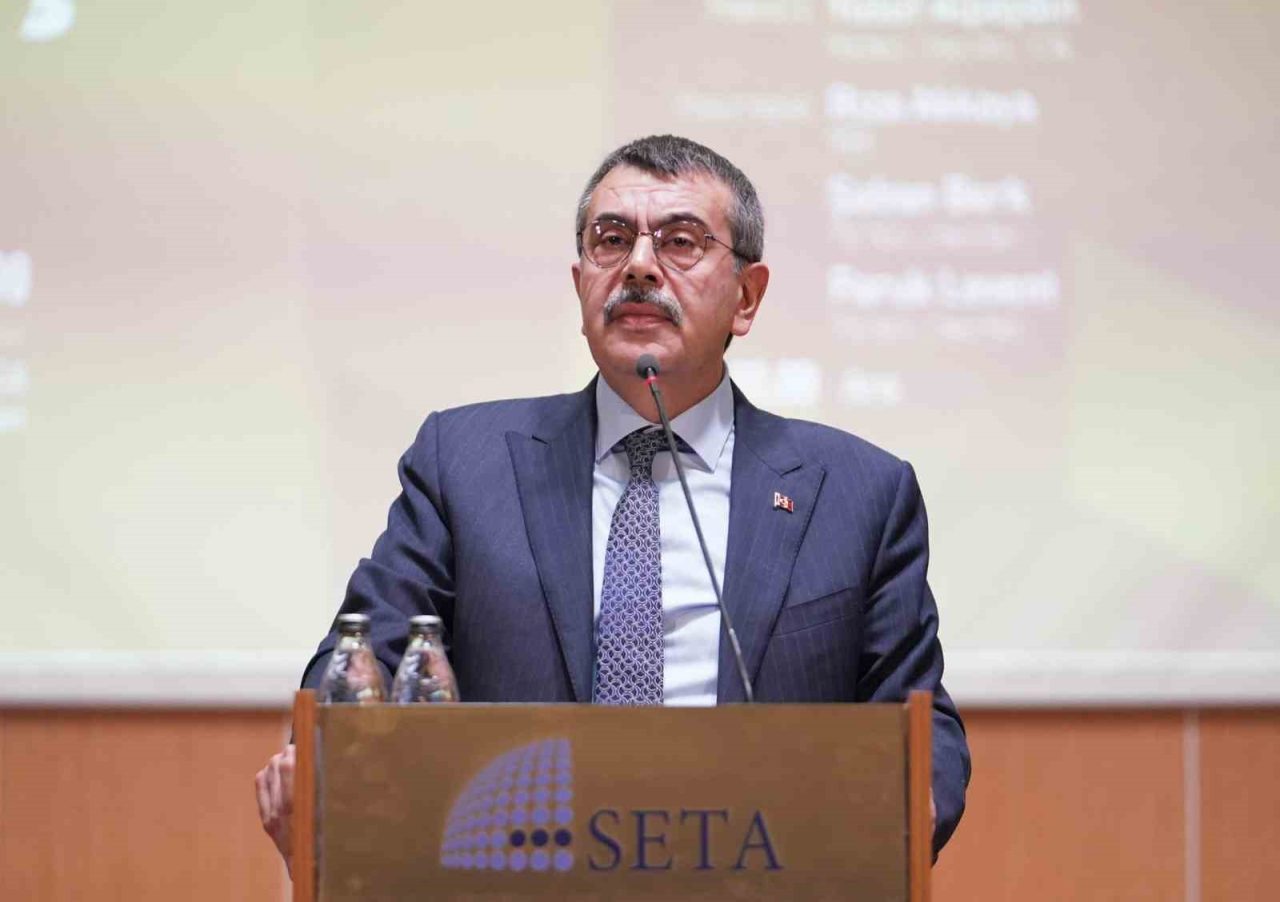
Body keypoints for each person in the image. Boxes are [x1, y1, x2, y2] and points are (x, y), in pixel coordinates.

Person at [255, 134, 970, 868]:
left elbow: (920, 730)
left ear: (747, 297)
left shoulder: (858, 492)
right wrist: (320, 759)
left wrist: (906, 805)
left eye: (681, 241)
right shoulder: (464, 465)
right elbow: (360, 663)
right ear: (581, 284)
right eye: (611, 240)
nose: (638, 265)